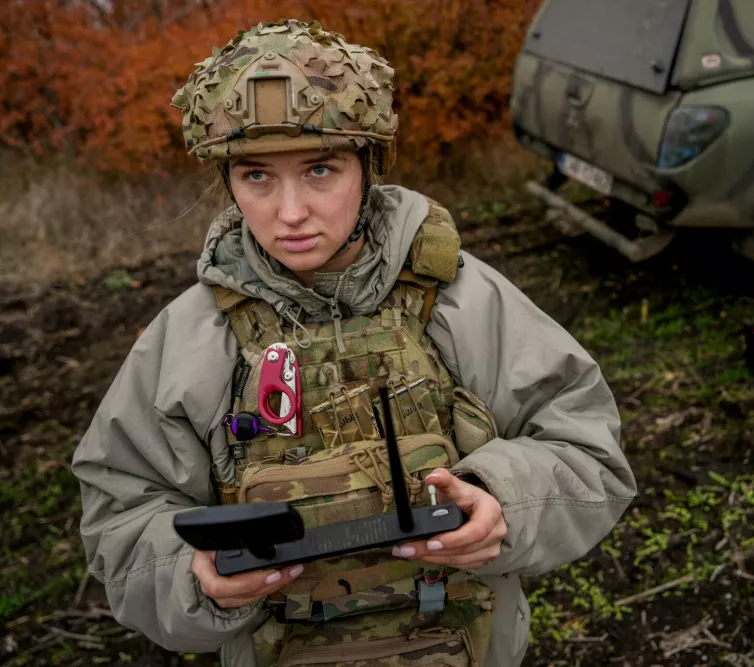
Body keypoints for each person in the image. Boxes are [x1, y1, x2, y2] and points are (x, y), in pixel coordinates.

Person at [71, 18, 636, 667]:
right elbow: (119, 518)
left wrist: (504, 502)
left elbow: (588, 448)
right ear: (227, 180)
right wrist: (194, 578)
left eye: (319, 169)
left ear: (367, 165)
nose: (289, 212)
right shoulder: (193, 336)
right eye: (257, 175)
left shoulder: (456, 297)